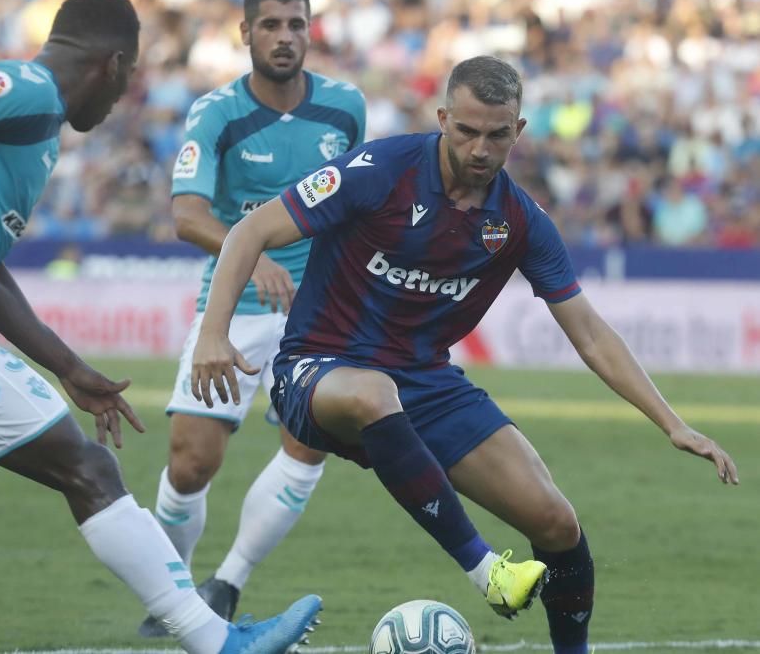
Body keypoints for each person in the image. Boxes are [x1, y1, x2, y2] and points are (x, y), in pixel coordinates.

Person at [189, 56, 740, 654]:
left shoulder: (521, 221)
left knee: (556, 522)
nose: (481, 148)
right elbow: (249, 232)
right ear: (443, 117)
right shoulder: (379, 171)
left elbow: (589, 332)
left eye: (497, 134)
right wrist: (212, 335)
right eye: (467, 131)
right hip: (318, 367)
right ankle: (486, 572)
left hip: (425, 383)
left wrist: (672, 423)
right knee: (374, 392)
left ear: (519, 130)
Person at [0, 0, 321, 654]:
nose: (120, 101)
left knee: (84, 464)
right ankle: (218, 641)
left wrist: (68, 366)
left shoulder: (35, 134)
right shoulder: (30, 91)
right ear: (111, 65)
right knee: (87, 468)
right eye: (124, 86)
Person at [138, 0, 366, 637]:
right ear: (245, 33)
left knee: (305, 448)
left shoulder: (345, 108)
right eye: (270, 25)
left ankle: (228, 582)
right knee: (190, 461)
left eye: (296, 24)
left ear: (308, 29)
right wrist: (254, 252)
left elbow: (356, 204)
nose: (285, 37)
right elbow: (185, 215)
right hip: (233, 305)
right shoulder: (216, 112)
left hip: (317, 311)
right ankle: (170, 591)